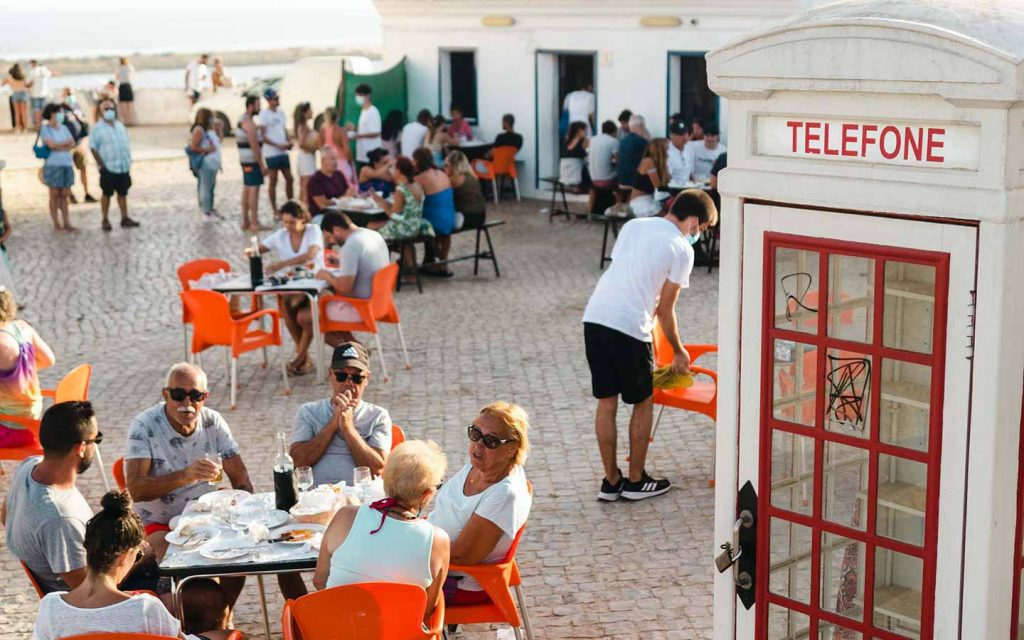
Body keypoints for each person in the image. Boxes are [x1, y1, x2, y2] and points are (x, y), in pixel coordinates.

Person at [583, 190, 717, 501]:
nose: (703, 234)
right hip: (630, 327)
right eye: (705, 228)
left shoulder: (634, 226)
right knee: (642, 401)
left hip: (595, 317)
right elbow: (665, 309)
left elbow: (626, 272)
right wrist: (680, 350)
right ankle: (635, 480)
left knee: (606, 401)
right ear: (693, 221)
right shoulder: (682, 248)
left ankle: (611, 481)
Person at [31, 490, 238, 640]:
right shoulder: (145, 609)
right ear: (124, 556)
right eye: (138, 555)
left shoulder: (50, 607)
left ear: (88, 547)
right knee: (233, 636)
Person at [124, 362, 253, 564]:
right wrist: (185, 476)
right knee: (178, 566)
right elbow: (136, 490)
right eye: (178, 395)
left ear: (205, 397)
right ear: (165, 394)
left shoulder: (213, 421)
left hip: (207, 519)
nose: (187, 402)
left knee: (238, 557)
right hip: (158, 522)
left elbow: (241, 479)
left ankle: (223, 596)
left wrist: (247, 518)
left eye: (195, 396)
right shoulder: (144, 426)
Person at [314, 440, 449, 624]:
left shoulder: (345, 517)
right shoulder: (437, 540)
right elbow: (426, 611)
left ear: (385, 479)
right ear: (426, 494)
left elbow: (320, 581)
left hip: (340, 631)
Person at [428, 402, 532, 605]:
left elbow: (464, 555)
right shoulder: (481, 464)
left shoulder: (504, 494)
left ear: (511, 449)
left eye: (491, 441)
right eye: (475, 433)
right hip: (436, 560)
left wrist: (408, 548)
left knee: (375, 581)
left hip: (458, 580)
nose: (478, 445)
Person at [2, 401, 95, 594]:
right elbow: (88, 590)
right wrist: (131, 558)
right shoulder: (60, 518)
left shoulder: (29, 466)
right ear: (81, 448)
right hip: (87, 602)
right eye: (96, 440)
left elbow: (5, 516)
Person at [291, 341, 391, 484]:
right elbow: (297, 463)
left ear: (367, 379)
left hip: (359, 500)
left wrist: (348, 428)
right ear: (330, 374)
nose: (349, 383)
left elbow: (377, 470)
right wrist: (333, 424)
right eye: (341, 376)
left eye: (357, 378)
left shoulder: (378, 416)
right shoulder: (308, 411)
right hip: (315, 498)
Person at [257, 201, 324, 375]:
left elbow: (310, 255)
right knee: (287, 305)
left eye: (292, 223)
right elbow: (257, 249)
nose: (288, 227)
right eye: (285, 222)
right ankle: (303, 357)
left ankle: (301, 357)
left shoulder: (313, 231)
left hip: (315, 283)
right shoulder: (281, 235)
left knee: (295, 308)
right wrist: (251, 252)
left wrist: (281, 264)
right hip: (293, 283)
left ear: (303, 219)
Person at [307, 214, 389, 342]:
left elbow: (345, 289)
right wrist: (342, 261)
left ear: (336, 230)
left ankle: (357, 354)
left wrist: (326, 275)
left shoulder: (350, 246)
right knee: (324, 302)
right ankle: (356, 347)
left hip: (362, 308)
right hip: (382, 303)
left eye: (329, 237)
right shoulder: (372, 234)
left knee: (305, 318)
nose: (331, 242)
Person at [0, 288, 54, 448]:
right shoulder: (22, 327)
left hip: (12, 429)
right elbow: (49, 360)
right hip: (34, 419)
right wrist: (22, 372)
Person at [368, 156, 434, 279]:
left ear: (399, 171)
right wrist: (380, 200)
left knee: (370, 228)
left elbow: (393, 214)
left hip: (405, 228)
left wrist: (381, 203)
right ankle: (407, 268)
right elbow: (400, 210)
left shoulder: (401, 190)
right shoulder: (417, 186)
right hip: (415, 225)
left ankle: (379, 271)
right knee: (376, 226)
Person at [89, 98, 139, 231]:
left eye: (111, 108)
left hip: (123, 166)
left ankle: (125, 217)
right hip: (108, 167)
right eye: (106, 109)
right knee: (107, 193)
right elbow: (93, 148)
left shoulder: (119, 125)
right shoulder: (97, 128)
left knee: (123, 193)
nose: (109, 111)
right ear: (100, 111)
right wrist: (102, 165)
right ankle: (105, 219)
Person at [412, 148, 456, 276]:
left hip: (434, 221)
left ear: (418, 161)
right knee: (440, 226)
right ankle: (442, 262)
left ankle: (411, 263)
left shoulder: (419, 178)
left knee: (417, 222)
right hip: (450, 219)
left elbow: (414, 199)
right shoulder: (441, 173)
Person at [39, 103, 77, 232]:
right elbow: (51, 145)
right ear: (52, 114)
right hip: (53, 165)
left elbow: (72, 143)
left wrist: (59, 146)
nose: (61, 115)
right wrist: (63, 145)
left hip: (66, 164)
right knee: (54, 194)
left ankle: (66, 222)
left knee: (65, 195)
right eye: (58, 112)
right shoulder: (45, 129)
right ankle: (56, 222)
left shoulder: (64, 128)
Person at [59, 88, 97, 205]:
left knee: (83, 168)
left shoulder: (77, 107)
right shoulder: (60, 109)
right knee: (69, 171)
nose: (70, 96)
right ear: (63, 95)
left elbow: (83, 122)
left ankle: (86, 193)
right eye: (68, 94)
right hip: (67, 147)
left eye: (71, 94)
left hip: (80, 144)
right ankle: (70, 194)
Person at [259, 88, 294, 216]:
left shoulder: (281, 112)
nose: (277, 100)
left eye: (277, 97)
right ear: (269, 100)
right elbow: (263, 135)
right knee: (273, 181)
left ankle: (291, 205)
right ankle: (274, 210)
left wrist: (288, 141)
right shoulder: (264, 115)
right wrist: (277, 145)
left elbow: (283, 129)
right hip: (271, 153)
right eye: (275, 98)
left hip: (283, 151)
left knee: (290, 179)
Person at [237, 95, 268, 231]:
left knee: (247, 189)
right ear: (250, 106)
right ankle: (254, 222)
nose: (259, 107)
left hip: (245, 161)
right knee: (253, 191)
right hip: (251, 161)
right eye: (257, 105)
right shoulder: (248, 123)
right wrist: (261, 164)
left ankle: (245, 221)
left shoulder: (244, 120)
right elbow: (254, 145)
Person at [190, 108, 222, 219]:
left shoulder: (208, 130)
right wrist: (208, 149)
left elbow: (218, 142)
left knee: (211, 187)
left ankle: (210, 209)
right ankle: (206, 211)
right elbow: (193, 147)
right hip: (205, 163)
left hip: (213, 163)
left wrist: (219, 129)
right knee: (206, 188)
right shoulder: (199, 130)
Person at [307, 147, 355, 217]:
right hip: (323, 216)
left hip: (342, 213)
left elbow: (348, 193)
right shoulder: (315, 180)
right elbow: (322, 204)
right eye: (332, 159)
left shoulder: (339, 174)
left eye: (336, 158)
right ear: (322, 161)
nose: (336, 161)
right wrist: (342, 199)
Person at [444, 150, 486, 231]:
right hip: (481, 216)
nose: (444, 168)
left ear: (452, 165)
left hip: (465, 218)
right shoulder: (473, 176)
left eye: (446, 165)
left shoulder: (454, 179)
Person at [629, 138, 670, 217]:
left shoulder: (656, 163)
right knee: (669, 217)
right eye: (668, 147)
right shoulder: (648, 161)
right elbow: (658, 185)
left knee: (671, 212)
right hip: (640, 202)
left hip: (649, 199)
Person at [587, 120, 619, 212]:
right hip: (607, 180)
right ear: (614, 131)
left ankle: (590, 211)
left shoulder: (593, 139)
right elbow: (618, 161)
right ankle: (617, 209)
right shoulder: (614, 141)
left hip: (593, 179)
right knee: (622, 180)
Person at [320, 107, 357, 187]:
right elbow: (347, 151)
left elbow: (321, 149)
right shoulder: (341, 131)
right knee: (348, 189)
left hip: (327, 164)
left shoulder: (322, 131)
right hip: (341, 163)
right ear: (338, 117)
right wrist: (351, 163)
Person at [347, 84, 382, 169]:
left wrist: (358, 136)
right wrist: (354, 128)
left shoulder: (373, 111)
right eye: (357, 95)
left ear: (367, 96)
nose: (358, 98)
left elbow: (376, 133)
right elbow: (365, 129)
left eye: (360, 95)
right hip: (362, 153)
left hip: (371, 154)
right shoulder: (363, 111)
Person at [294, 102, 319, 205]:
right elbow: (301, 143)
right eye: (310, 111)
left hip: (306, 158)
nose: (312, 112)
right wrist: (312, 148)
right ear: (305, 113)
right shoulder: (303, 127)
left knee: (304, 185)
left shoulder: (304, 126)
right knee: (306, 186)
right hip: (306, 159)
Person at [616, 114, 649, 190]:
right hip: (633, 182)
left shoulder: (623, 141)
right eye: (644, 126)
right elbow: (651, 158)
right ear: (641, 126)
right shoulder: (642, 141)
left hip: (621, 181)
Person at [27, 60, 57, 129]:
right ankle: (42, 125)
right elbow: (52, 74)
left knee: (37, 110)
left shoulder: (33, 71)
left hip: (35, 94)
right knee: (42, 110)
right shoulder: (44, 70)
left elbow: (28, 83)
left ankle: (37, 126)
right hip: (43, 93)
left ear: (33, 63)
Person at [559, 121, 588, 187]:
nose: (586, 132)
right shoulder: (584, 141)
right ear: (579, 131)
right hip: (576, 174)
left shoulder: (566, 140)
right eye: (585, 130)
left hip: (564, 173)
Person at [3, 64, 29, 132]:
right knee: (23, 113)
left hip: (15, 94)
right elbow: (27, 85)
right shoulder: (23, 77)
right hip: (23, 94)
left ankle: (17, 128)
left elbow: (2, 84)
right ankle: (25, 128)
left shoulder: (10, 78)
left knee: (17, 113)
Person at [667, 121, 693, 185]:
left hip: (685, 189)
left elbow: (689, 173)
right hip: (669, 191)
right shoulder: (666, 151)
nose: (685, 137)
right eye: (681, 135)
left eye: (686, 133)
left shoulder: (689, 149)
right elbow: (666, 178)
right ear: (671, 135)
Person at [115, 57, 135, 125]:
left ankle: (126, 121)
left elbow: (117, 78)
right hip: (128, 86)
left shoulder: (119, 68)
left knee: (124, 106)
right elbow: (131, 77)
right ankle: (130, 121)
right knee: (130, 106)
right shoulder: (130, 67)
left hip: (122, 86)